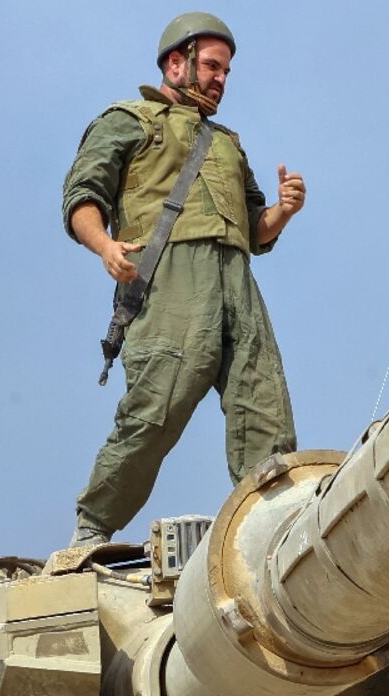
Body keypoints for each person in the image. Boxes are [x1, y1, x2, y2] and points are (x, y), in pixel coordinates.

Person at [61, 12, 303, 546]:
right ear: (177, 63)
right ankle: (93, 525)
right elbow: (82, 196)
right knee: (158, 403)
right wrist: (104, 246)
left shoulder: (226, 143)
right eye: (213, 66)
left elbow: (256, 229)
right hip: (170, 278)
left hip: (236, 279)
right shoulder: (129, 120)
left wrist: (283, 212)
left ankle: (272, 528)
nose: (221, 79)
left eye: (227, 71)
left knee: (263, 402)